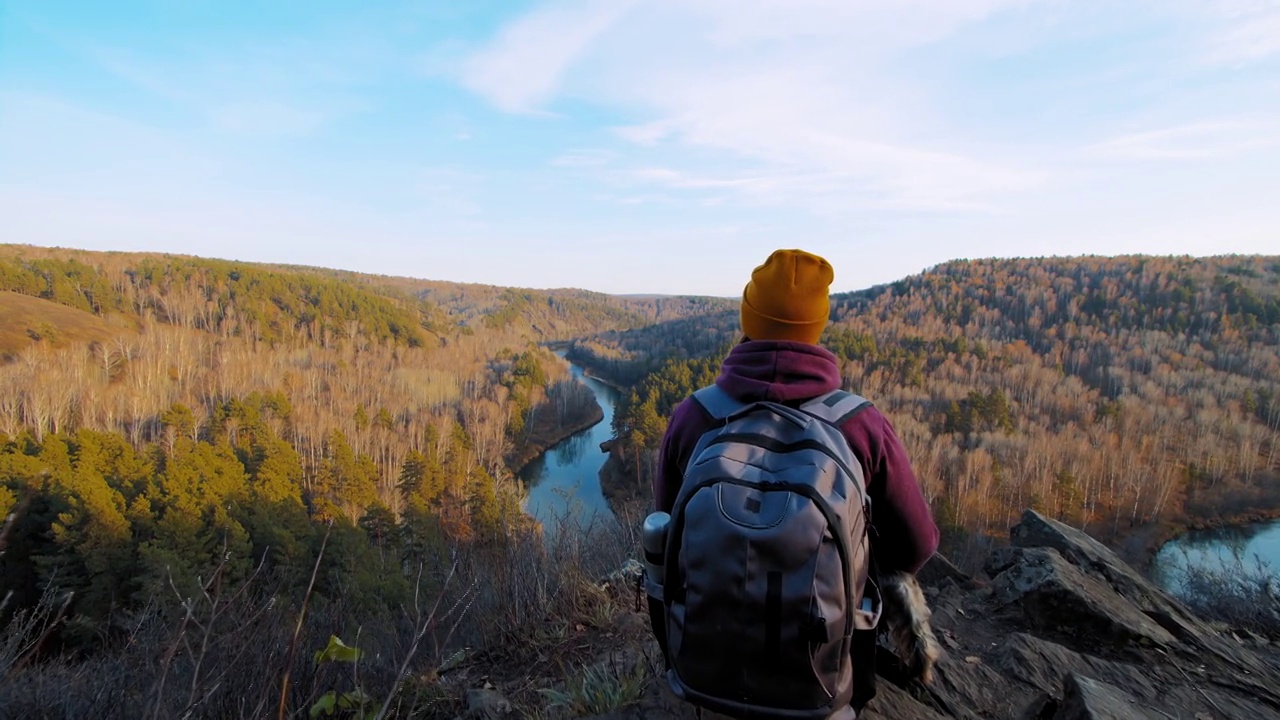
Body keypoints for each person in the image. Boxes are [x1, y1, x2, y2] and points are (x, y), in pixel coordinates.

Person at [652, 248, 940, 716]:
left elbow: (666, 529)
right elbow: (916, 545)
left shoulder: (695, 415)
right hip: (822, 674)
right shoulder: (859, 424)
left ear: (748, 321)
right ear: (816, 330)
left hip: (705, 665)